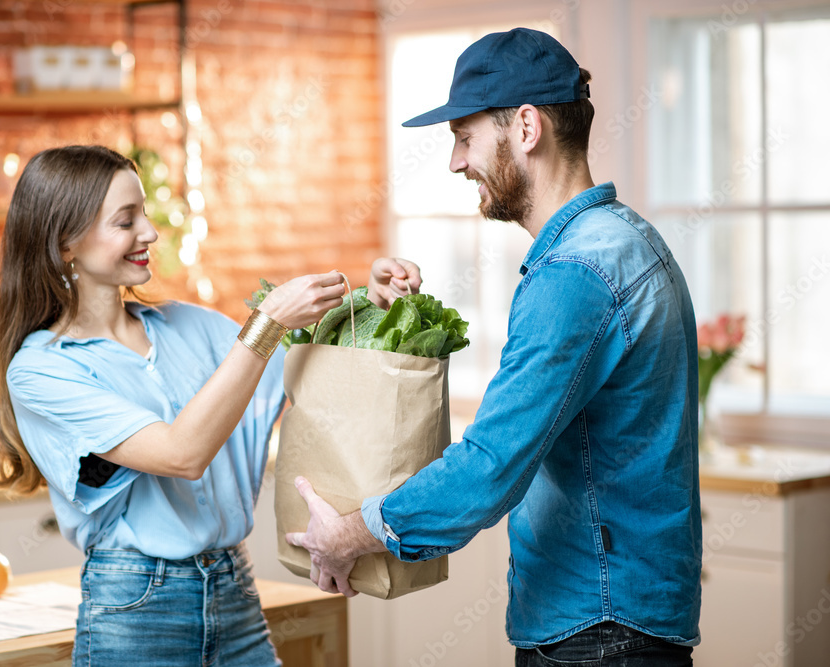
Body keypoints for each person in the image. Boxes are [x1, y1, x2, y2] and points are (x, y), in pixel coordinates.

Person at [286, 28, 701, 666]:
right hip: (630, 620)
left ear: (526, 128)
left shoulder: (574, 275)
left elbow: (489, 466)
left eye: (465, 137)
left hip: (595, 631)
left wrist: (351, 534)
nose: (456, 162)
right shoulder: (629, 241)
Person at [0, 144, 415, 666]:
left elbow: (312, 366)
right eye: (126, 221)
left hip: (234, 587)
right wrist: (268, 322)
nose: (149, 232)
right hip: (136, 607)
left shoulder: (190, 325)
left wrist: (370, 300)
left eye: (143, 213)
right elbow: (181, 454)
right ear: (64, 246)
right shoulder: (42, 370)